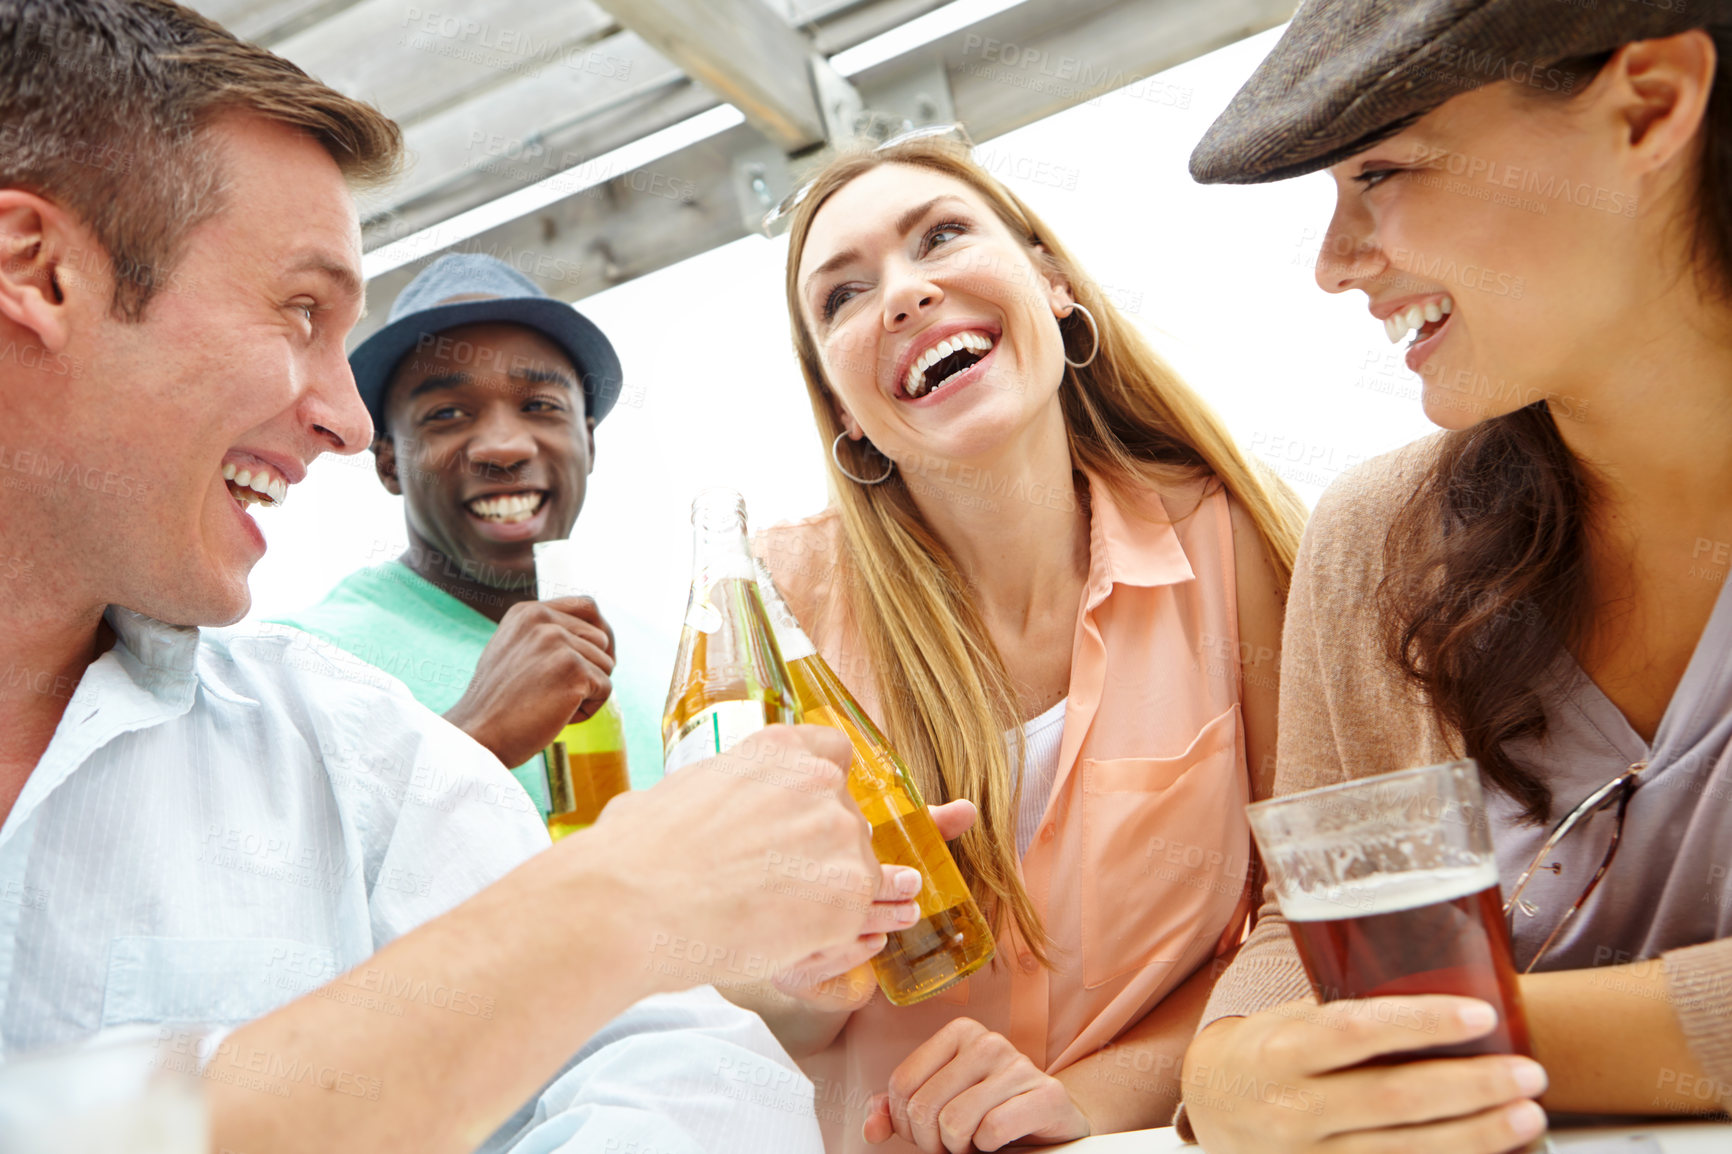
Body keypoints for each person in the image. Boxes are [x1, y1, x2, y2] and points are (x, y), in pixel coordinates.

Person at [0, 3, 902, 1152]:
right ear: (38, 271)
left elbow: (675, 1055)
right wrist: (621, 897)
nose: (332, 411)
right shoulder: (354, 662)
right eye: (298, 310)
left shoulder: (337, 734)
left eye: (542, 405)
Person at [1179, 2, 1732, 1151]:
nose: (1333, 266)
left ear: (1650, 105)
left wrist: (1454, 1038)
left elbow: (1369, 997)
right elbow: (1305, 926)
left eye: (1380, 169)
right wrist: (1235, 1063)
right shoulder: (1377, 539)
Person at [738, 129, 1308, 1151]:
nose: (905, 293)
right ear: (843, 411)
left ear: (1051, 283)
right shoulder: (771, 610)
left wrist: (1088, 1095)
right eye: (844, 293)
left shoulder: (1227, 544)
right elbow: (725, 987)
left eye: (942, 235)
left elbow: (1302, 909)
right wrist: (793, 975)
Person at [270, 252, 666, 811]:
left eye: (540, 405)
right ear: (389, 464)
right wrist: (475, 732)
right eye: (447, 415)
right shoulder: (299, 667)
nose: (504, 447)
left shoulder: (667, 661)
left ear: (590, 443)